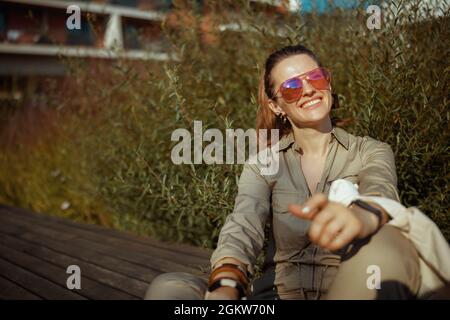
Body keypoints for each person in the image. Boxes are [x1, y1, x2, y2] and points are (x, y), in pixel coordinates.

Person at [145, 44, 422, 300]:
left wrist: (360, 215)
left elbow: (381, 191)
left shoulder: (370, 151)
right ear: (277, 106)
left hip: (348, 291)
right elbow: (244, 223)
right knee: (168, 288)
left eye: (315, 78)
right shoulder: (263, 163)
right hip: (276, 297)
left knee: (394, 254)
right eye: (291, 87)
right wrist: (227, 280)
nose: (309, 90)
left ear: (327, 83)